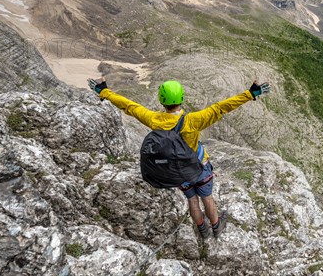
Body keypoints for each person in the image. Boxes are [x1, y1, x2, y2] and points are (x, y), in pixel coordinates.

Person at [87, 77, 271, 239]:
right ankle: (216, 227)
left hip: (178, 172)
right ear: (181, 98)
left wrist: (104, 91)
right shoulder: (193, 120)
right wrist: (250, 93)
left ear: (162, 100)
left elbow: (129, 106)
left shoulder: (154, 119)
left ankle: (203, 231)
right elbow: (222, 107)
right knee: (207, 198)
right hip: (199, 168)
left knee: (192, 200)